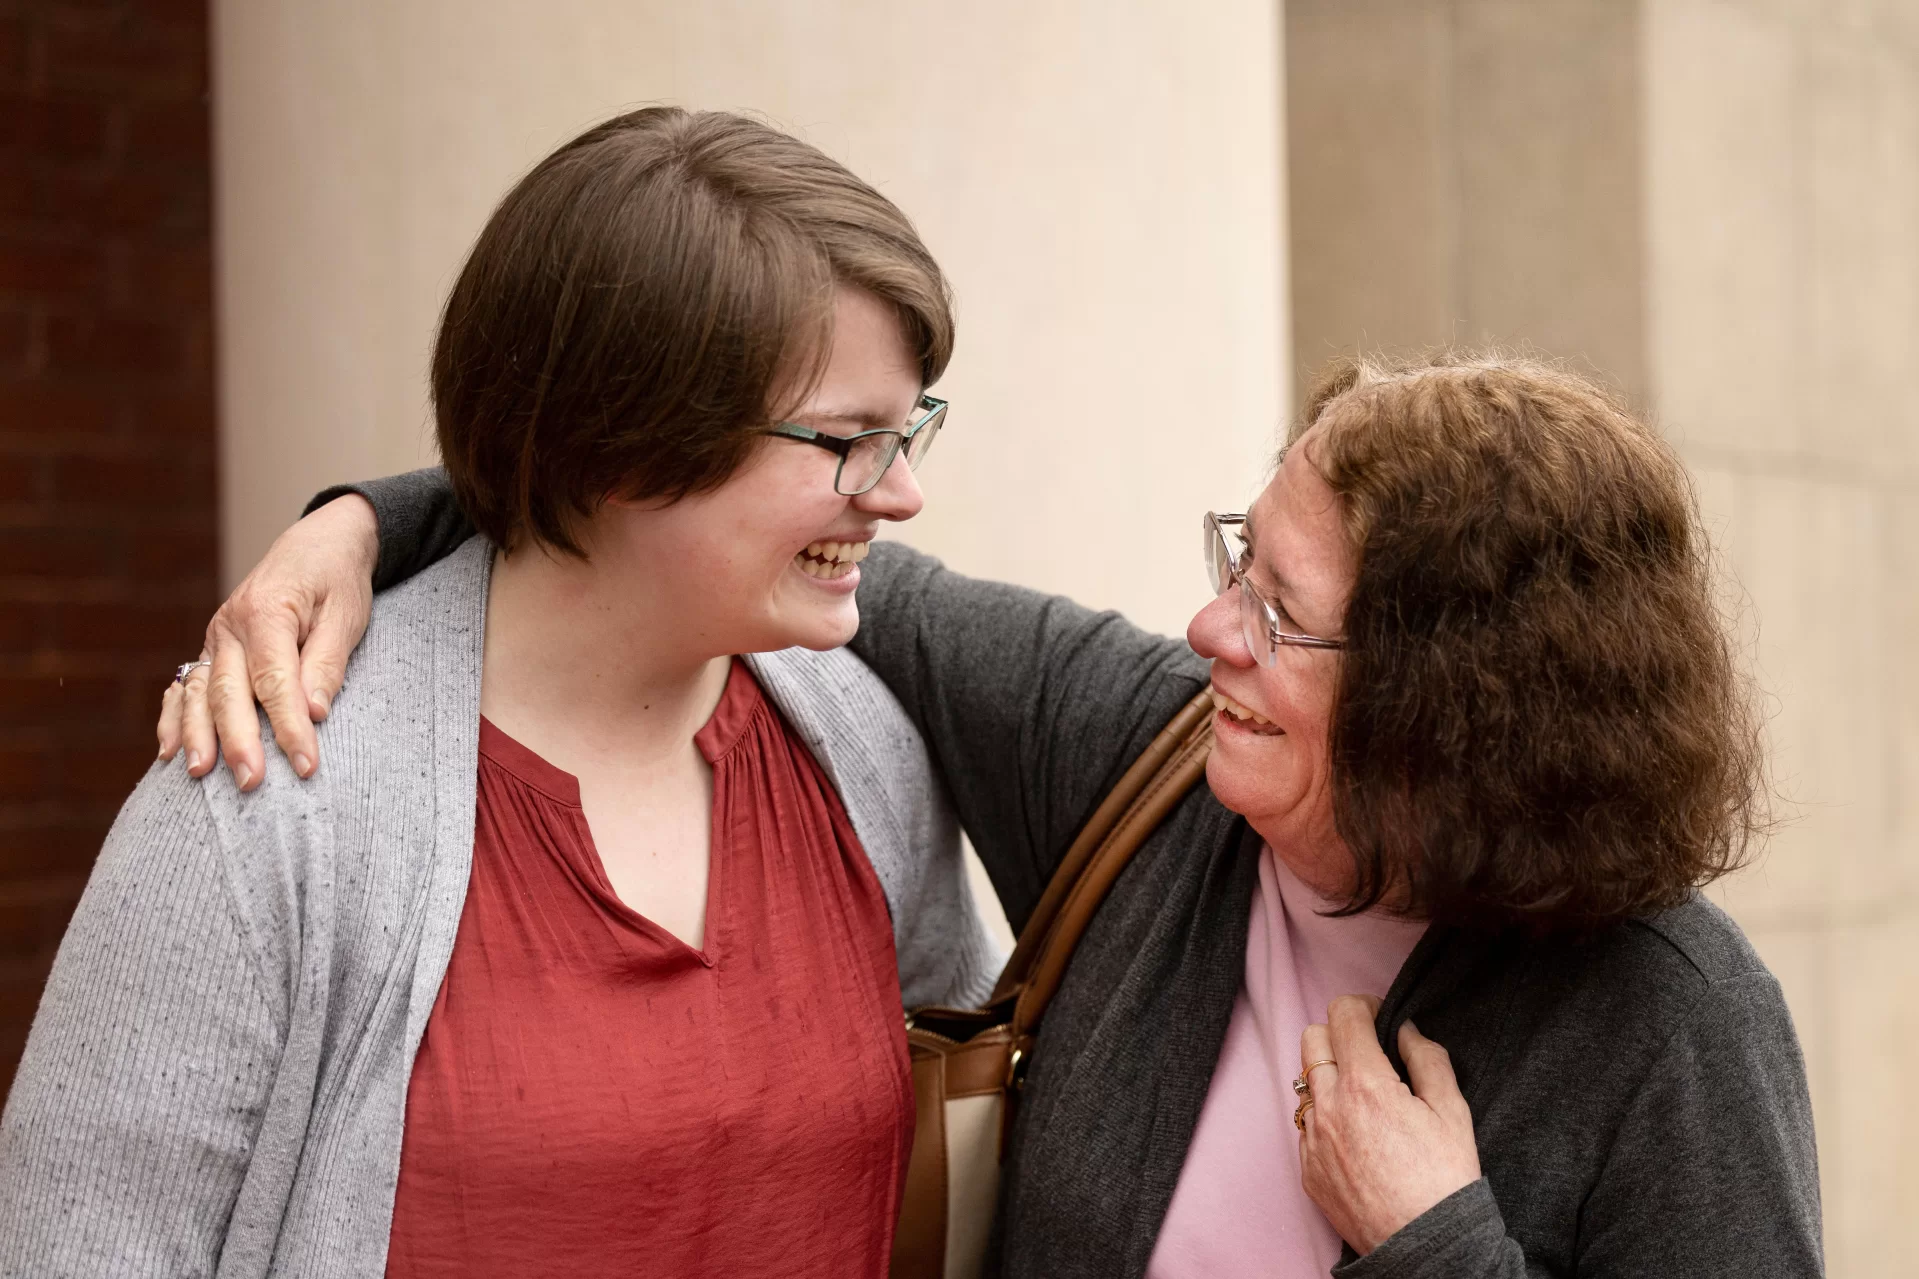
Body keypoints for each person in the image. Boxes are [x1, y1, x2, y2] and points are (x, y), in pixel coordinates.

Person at [163, 350, 1823, 1278]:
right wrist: (370, 525)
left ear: (1454, 707)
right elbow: (747, 532)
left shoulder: (1668, 1025)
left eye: (1277, 608)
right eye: (1234, 554)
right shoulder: (1156, 766)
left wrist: (1437, 1243)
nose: (1208, 630)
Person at [0, 107, 1004, 1277]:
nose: (897, 495)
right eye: (845, 440)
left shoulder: (864, 750)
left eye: (906, 430)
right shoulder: (266, 806)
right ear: (628, 443)